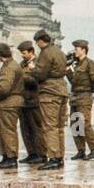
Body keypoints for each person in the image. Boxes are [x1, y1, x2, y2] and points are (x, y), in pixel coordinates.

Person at [32, 29, 69, 170]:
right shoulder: (59, 52)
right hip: (62, 90)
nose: (37, 45)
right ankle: (59, 157)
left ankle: (53, 157)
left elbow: (40, 74)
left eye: (37, 42)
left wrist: (32, 69)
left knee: (49, 126)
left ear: (41, 41)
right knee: (59, 127)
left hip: (49, 92)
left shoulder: (45, 53)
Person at [67, 39, 94, 161]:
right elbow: (73, 82)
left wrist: (89, 90)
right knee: (75, 125)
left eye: (76, 49)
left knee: (85, 124)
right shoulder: (77, 65)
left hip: (84, 97)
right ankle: (81, 150)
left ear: (83, 50)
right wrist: (68, 71)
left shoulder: (89, 63)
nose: (74, 51)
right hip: (75, 97)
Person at [0, 43, 25, 169]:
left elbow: (4, 88)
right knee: (3, 129)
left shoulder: (8, 67)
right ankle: (7, 156)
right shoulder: (13, 64)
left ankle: (11, 158)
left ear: (0, 55)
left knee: (8, 130)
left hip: (9, 103)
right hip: (11, 102)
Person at [17, 41, 45, 164]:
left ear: (31, 52)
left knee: (36, 129)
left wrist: (21, 79)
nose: (22, 56)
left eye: (24, 53)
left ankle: (41, 154)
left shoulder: (38, 64)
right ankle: (31, 153)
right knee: (25, 130)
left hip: (34, 101)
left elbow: (37, 81)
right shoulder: (22, 65)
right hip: (24, 102)